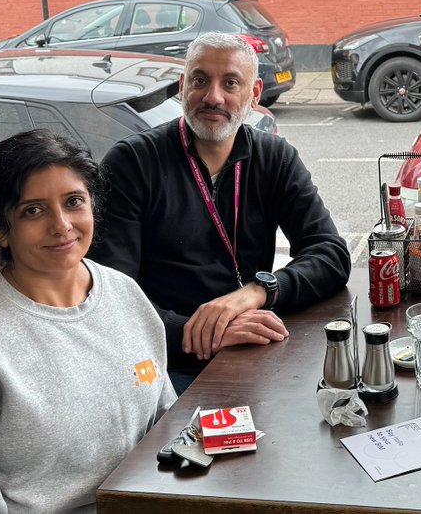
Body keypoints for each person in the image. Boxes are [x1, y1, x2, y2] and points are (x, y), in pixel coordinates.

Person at [0, 130, 175, 513]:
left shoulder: (123, 293)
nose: (61, 225)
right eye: (33, 210)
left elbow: (167, 428)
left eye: (74, 202)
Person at [91, 32, 351, 392]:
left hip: (248, 342)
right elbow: (112, 297)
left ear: (255, 94)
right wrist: (204, 332)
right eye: (200, 80)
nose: (213, 97)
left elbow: (331, 254)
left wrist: (258, 292)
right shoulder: (133, 163)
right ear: (183, 87)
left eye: (230, 82)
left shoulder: (275, 158)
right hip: (165, 360)